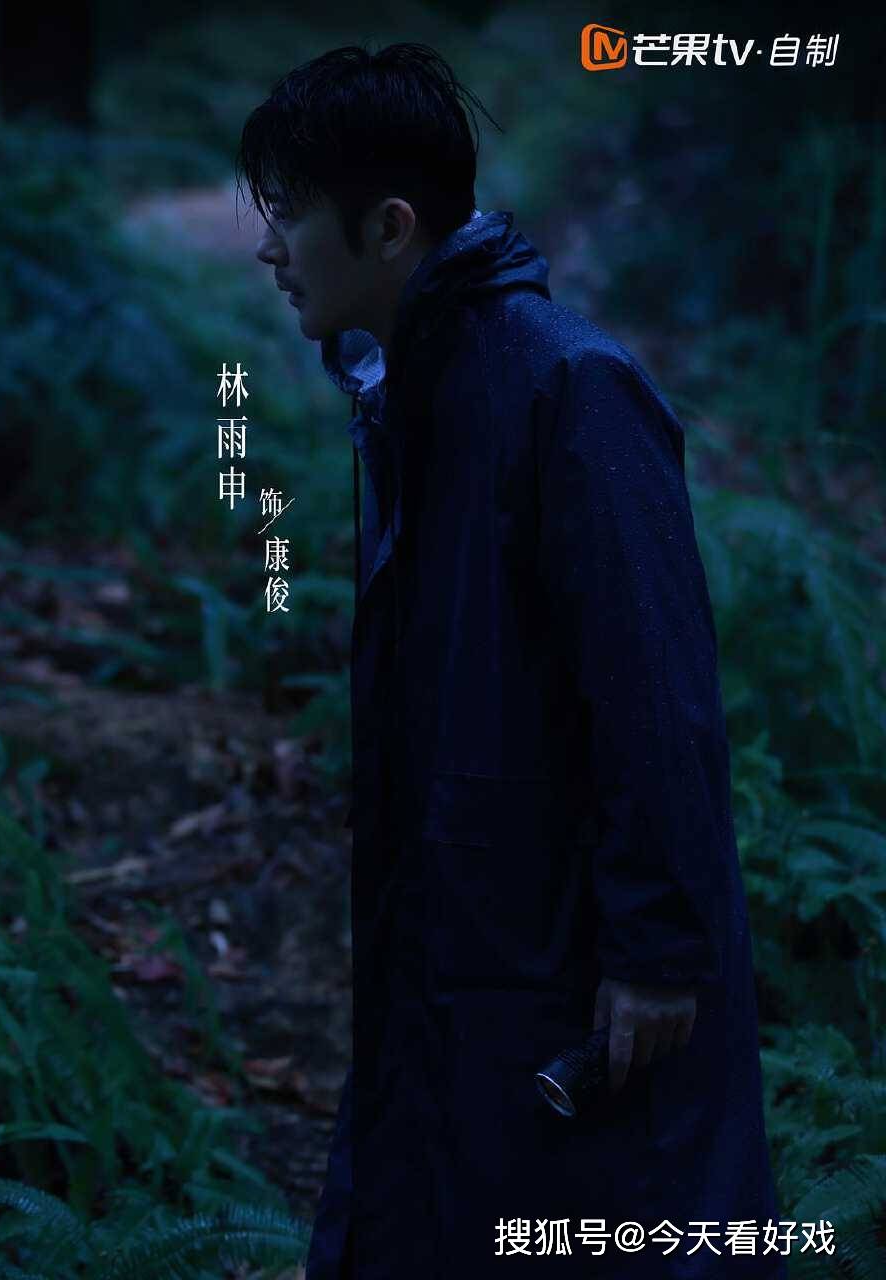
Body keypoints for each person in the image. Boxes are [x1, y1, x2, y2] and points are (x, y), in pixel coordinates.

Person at [240, 45, 784, 1278]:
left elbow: (656, 693)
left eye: (290, 217)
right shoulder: (405, 387)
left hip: (569, 957)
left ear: (390, 227)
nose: (268, 251)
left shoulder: (568, 384)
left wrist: (655, 950)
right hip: (463, 935)